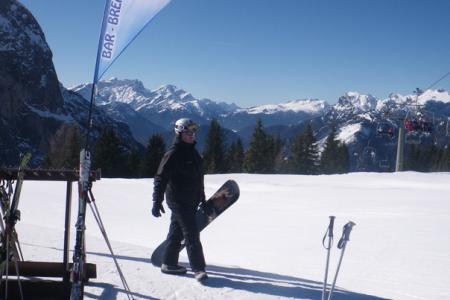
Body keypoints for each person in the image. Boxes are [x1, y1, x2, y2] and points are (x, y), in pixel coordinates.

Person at [151, 118, 208, 282]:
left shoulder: (193, 152)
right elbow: (160, 178)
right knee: (191, 234)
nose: (192, 135)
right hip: (178, 200)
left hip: (191, 199)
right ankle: (199, 269)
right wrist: (157, 201)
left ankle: (168, 263)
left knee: (176, 232)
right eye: (188, 133)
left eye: (193, 132)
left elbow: (198, 178)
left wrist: (201, 197)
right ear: (180, 133)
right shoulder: (173, 153)